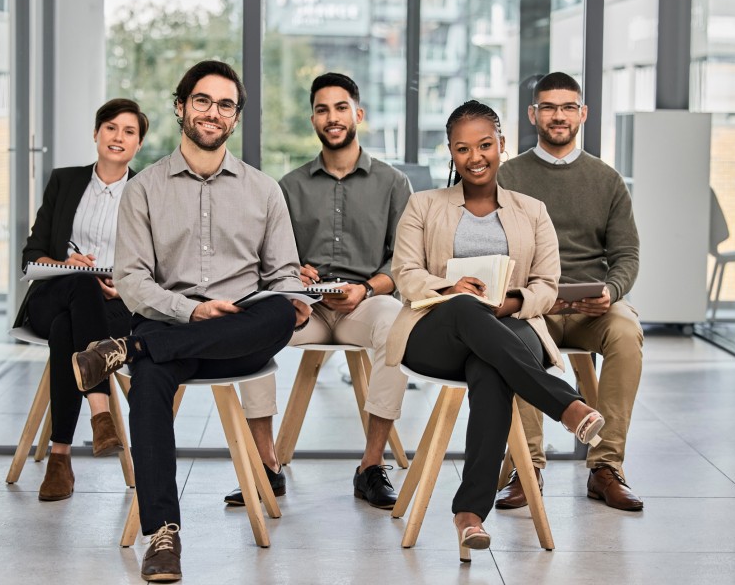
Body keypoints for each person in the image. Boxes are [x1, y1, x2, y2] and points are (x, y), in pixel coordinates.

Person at [70, 60, 310, 583]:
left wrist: (297, 296)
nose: (213, 112)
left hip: (242, 330)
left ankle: (125, 352)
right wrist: (193, 310)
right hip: (168, 321)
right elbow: (132, 282)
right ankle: (163, 535)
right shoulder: (145, 189)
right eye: (202, 100)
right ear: (181, 107)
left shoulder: (264, 190)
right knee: (154, 377)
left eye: (226, 104)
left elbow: (284, 274)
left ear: (236, 117)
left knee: (275, 314)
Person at [385, 100, 605, 562]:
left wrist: (513, 302)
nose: (475, 156)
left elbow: (547, 284)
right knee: (468, 310)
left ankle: (469, 516)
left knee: (489, 368)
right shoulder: (423, 205)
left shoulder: (532, 210)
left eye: (485, 145)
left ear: (502, 146)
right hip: (436, 329)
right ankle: (565, 404)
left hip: (513, 325)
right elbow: (405, 272)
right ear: (450, 152)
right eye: (463, 148)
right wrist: (450, 287)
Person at [225, 72, 413, 509]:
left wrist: (366, 289)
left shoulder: (393, 184)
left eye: (341, 107)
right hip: (304, 308)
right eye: (323, 109)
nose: (333, 117)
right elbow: (267, 259)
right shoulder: (287, 187)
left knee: (397, 325)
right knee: (250, 326)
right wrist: (293, 273)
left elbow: (403, 263)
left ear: (358, 114)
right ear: (313, 119)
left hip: (363, 305)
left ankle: (370, 466)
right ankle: (266, 466)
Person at [496, 71, 644, 511]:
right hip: (530, 306)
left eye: (566, 107)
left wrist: (612, 292)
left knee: (626, 333)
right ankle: (526, 468)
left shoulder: (607, 179)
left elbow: (627, 254)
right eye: (548, 107)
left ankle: (606, 467)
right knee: (508, 337)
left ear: (582, 113)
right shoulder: (507, 175)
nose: (557, 116)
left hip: (590, 310)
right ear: (532, 114)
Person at [13, 98, 148, 502]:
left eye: (128, 131)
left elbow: (157, 266)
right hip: (51, 295)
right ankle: (100, 412)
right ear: (96, 133)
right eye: (110, 127)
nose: (117, 137)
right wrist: (65, 263)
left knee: (65, 332)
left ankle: (60, 459)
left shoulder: (144, 192)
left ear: (139, 144)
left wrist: (124, 285)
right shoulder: (65, 181)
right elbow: (30, 255)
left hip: (113, 305)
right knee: (79, 283)